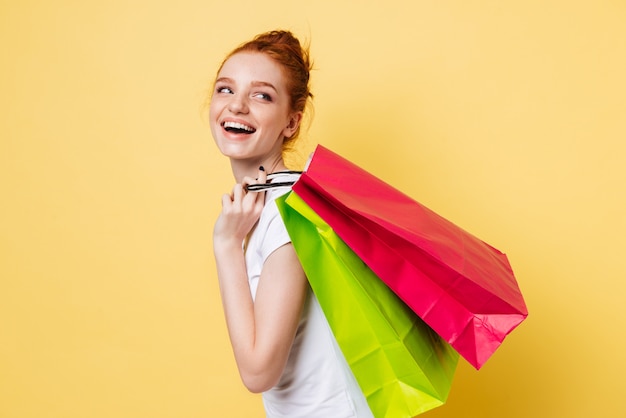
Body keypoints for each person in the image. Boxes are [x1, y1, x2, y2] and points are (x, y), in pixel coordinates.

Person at [208, 30, 373, 417]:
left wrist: (226, 247)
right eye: (225, 90)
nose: (238, 106)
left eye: (262, 95)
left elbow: (258, 372)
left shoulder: (289, 213)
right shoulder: (270, 203)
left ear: (291, 123)